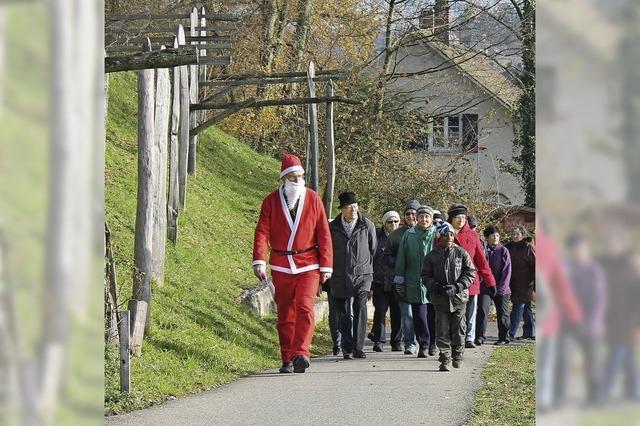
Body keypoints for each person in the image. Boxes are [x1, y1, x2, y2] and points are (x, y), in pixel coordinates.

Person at [252, 154, 333, 374]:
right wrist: (259, 260)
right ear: (284, 179)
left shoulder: (313, 199)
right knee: (285, 313)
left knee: (305, 308)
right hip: (281, 264)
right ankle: (287, 357)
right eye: (293, 177)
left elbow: (323, 233)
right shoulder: (270, 201)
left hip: (309, 264)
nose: (298, 181)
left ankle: (301, 353)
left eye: (300, 177)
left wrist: (326, 265)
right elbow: (262, 232)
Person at [328, 192, 377, 359]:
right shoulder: (333, 227)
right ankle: (346, 346)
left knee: (360, 308)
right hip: (339, 276)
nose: (353, 209)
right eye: (349, 207)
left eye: (355, 206)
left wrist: (370, 275)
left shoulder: (367, 225)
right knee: (342, 313)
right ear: (342, 209)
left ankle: (358, 347)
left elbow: (373, 250)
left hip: (362, 275)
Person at [423, 221, 476, 371]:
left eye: (451, 234)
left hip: (459, 299)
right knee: (442, 330)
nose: (449, 237)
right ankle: (444, 358)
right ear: (439, 236)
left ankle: (458, 355)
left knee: (459, 329)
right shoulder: (431, 256)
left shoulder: (461, 253)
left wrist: (458, 287)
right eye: (445, 234)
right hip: (440, 300)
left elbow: (470, 273)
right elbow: (425, 276)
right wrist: (436, 287)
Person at [447, 204, 496, 349]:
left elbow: (481, 261)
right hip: (451, 280)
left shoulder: (473, 235)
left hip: (471, 281)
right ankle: (454, 336)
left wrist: (490, 281)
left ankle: (469, 337)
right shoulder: (444, 233)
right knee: (454, 311)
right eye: (457, 217)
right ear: (451, 218)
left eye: (463, 217)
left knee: (470, 311)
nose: (461, 220)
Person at [394, 205, 438, 358]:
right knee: (419, 316)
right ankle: (423, 345)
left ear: (431, 219)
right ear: (417, 218)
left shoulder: (438, 234)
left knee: (433, 315)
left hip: (435, 282)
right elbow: (401, 259)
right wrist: (399, 280)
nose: (424, 219)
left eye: (427, 217)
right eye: (421, 216)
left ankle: (433, 343)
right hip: (415, 282)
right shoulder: (409, 235)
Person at [386, 200, 421, 354]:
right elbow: (387, 255)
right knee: (407, 313)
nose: (411, 216)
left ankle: (425, 342)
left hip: (422, 281)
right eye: (408, 214)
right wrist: (401, 261)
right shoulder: (396, 234)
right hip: (403, 280)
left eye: (414, 213)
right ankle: (409, 343)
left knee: (422, 314)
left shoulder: (429, 232)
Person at [369, 210, 402, 352]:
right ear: (384, 223)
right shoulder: (376, 236)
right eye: (390, 222)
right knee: (380, 311)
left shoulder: (404, 236)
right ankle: (379, 340)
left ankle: (396, 342)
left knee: (397, 313)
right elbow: (370, 258)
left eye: (396, 221)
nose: (393, 224)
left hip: (397, 281)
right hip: (379, 281)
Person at [476, 225, 510, 345]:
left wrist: (501, 288)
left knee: (503, 313)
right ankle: (480, 336)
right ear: (486, 238)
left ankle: (504, 337)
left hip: (502, 289)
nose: (495, 237)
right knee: (482, 310)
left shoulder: (503, 250)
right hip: (485, 287)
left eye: (497, 235)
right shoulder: (483, 250)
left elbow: (507, 271)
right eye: (492, 236)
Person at [505, 225, 536, 340]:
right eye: (513, 234)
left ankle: (510, 332)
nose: (515, 236)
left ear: (523, 235)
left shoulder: (528, 247)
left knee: (518, 307)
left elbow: (536, 266)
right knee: (526, 308)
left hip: (526, 284)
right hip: (513, 283)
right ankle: (531, 332)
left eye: (517, 234)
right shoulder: (508, 247)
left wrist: (536, 285)